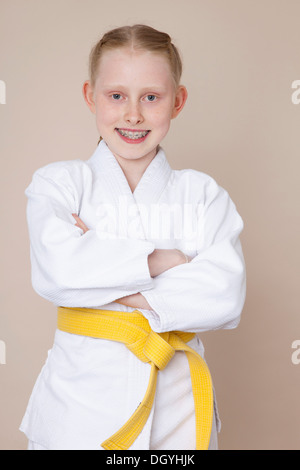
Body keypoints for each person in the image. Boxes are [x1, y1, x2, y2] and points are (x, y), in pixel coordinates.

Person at [20, 24, 246, 450]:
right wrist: (165, 260)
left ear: (177, 102)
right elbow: (57, 271)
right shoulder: (59, 184)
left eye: (151, 97)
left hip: (177, 407)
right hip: (77, 409)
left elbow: (223, 295)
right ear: (91, 96)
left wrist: (104, 282)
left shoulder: (203, 195)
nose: (133, 114)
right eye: (116, 95)